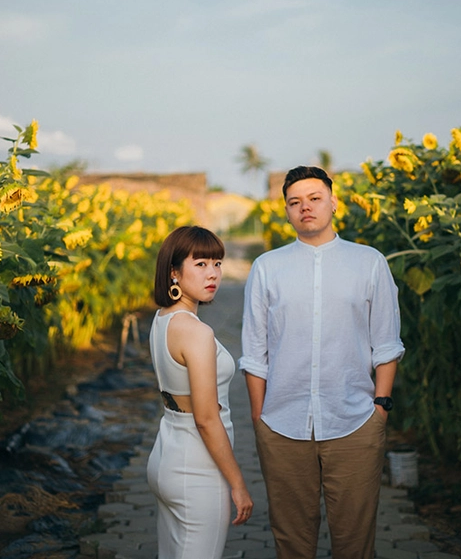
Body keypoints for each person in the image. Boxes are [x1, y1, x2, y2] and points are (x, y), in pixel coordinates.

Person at [240, 166, 405, 559]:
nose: (305, 207)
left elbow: (386, 343)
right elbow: (255, 351)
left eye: (314, 198)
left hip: (355, 422)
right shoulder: (267, 267)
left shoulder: (369, 262)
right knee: (291, 541)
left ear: (334, 203)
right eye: (295, 202)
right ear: (286, 211)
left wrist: (380, 408)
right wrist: (260, 418)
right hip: (282, 425)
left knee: (355, 542)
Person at [146, 226, 253, 559]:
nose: (213, 274)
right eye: (201, 264)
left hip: (166, 456)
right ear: (174, 272)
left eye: (217, 264)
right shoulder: (196, 332)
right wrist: (237, 482)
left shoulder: (162, 319)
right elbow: (206, 419)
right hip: (197, 469)